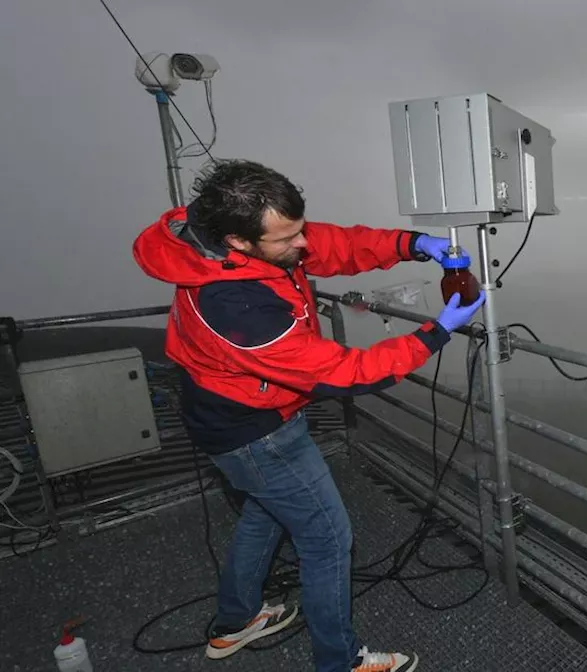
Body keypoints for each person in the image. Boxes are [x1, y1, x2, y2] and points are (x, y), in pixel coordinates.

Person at [132, 159, 485, 672]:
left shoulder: (232, 242)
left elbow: (335, 245)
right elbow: (350, 373)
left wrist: (412, 244)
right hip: (255, 431)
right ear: (238, 241)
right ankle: (339, 662)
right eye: (288, 239)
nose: (302, 245)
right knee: (326, 539)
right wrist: (438, 330)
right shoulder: (237, 306)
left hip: (236, 415)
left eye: (298, 230)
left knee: (266, 511)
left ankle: (235, 622)